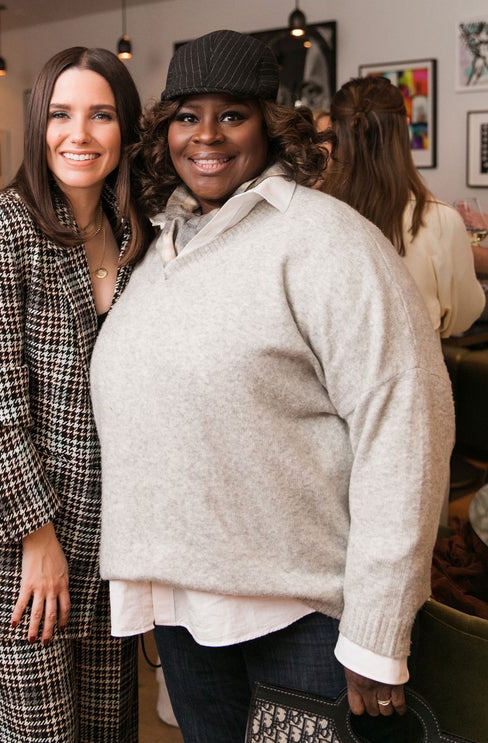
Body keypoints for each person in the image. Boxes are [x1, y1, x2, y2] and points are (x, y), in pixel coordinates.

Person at [90, 30, 455, 743]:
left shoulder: (326, 239)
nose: (207, 136)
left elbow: (405, 422)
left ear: (271, 124)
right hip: (187, 614)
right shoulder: (163, 248)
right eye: (187, 116)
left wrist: (379, 629)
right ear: (164, 132)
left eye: (233, 115)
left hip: (303, 621)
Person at [0, 46, 150, 743]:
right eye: (60, 114)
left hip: (110, 539)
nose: (79, 134)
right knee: (41, 736)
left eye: (101, 114)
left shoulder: (134, 234)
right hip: (23, 540)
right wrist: (37, 539)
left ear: (127, 130)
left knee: (109, 732)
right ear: (37, 124)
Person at [320, 75, 485, 338]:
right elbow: (464, 316)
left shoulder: (311, 215)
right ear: (405, 128)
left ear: (334, 131)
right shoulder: (439, 219)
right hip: (416, 373)